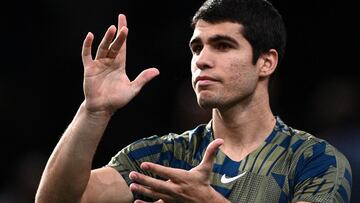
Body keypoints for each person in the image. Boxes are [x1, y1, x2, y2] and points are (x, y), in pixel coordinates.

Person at [35, 0, 352, 202]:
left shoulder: (317, 161)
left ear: (266, 62)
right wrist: (94, 111)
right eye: (197, 48)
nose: (202, 60)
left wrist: (207, 201)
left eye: (223, 45)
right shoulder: (164, 155)